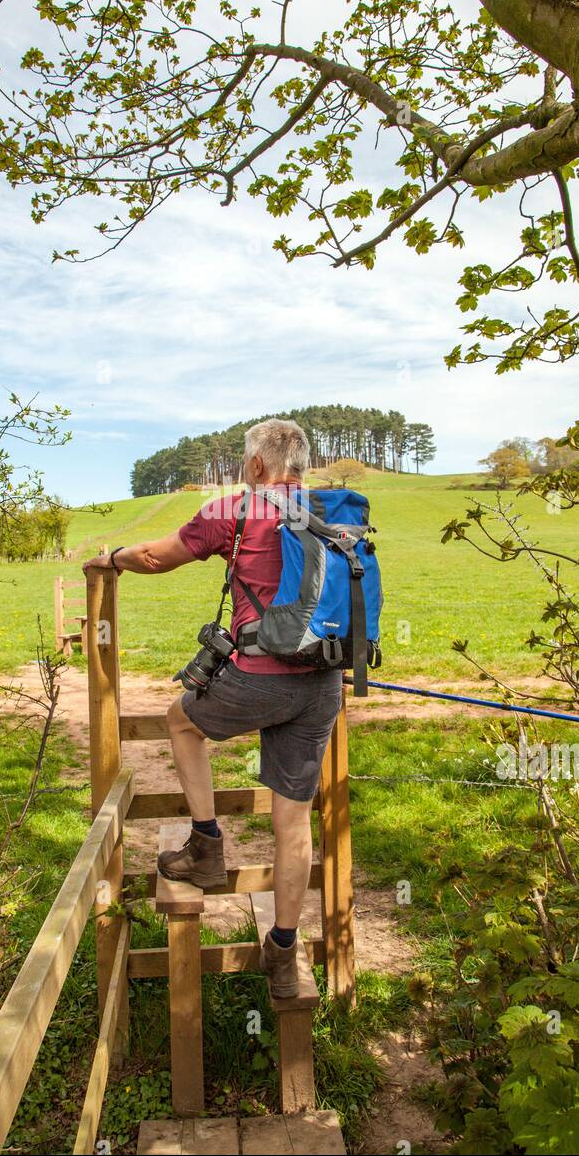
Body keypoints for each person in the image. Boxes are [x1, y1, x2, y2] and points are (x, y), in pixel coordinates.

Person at [83, 418, 343, 998]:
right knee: (293, 823)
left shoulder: (237, 510)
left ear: (256, 467)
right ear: (301, 466)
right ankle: (282, 953)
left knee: (181, 721)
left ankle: (206, 845)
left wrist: (114, 557)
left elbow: (160, 558)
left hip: (258, 679)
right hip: (323, 682)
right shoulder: (334, 515)